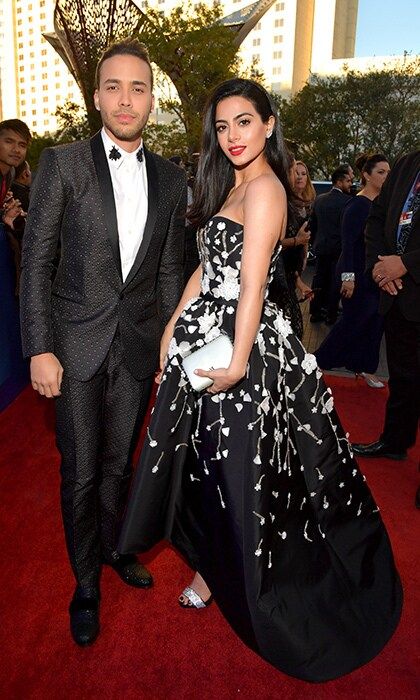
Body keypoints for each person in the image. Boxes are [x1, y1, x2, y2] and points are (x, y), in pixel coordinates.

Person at [119, 78, 402, 682]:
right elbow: (208, 265)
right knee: (203, 468)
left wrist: (242, 358)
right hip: (206, 338)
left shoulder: (268, 189)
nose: (232, 137)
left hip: (243, 347)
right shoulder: (233, 184)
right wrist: (173, 324)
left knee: (245, 473)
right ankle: (211, 567)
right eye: (222, 127)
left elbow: (251, 285)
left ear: (268, 124)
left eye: (243, 122)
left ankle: (251, 576)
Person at [20, 40, 187, 646]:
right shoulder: (62, 164)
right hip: (72, 346)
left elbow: (171, 270)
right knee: (82, 470)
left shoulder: (171, 178)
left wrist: (172, 344)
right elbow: (36, 261)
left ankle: (117, 548)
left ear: (150, 98)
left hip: (139, 346)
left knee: (121, 463)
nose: (125, 99)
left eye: (138, 88)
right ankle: (85, 582)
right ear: (96, 97)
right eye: (113, 87)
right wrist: (39, 346)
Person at [352, 150, 420, 462]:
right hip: (398, 296)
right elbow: (376, 218)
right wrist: (380, 270)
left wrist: (405, 263)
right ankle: (394, 442)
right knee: (402, 379)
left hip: (407, 278)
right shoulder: (408, 163)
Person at [315, 153, 390, 387]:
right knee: (353, 322)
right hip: (354, 275)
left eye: (389, 172)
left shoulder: (381, 205)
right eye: (381, 172)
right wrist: (348, 279)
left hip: (375, 276)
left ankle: (365, 368)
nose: (386, 177)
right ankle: (315, 362)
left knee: (375, 322)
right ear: (366, 175)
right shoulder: (357, 205)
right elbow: (347, 245)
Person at [269, 158, 314, 338]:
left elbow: (304, 241)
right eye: (296, 172)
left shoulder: (305, 206)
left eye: (303, 174)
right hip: (275, 277)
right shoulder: (281, 203)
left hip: (290, 274)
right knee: (291, 330)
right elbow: (270, 243)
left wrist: (299, 280)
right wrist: (297, 240)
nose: (300, 177)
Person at [309, 165, 353, 324]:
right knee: (335, 281)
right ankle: (331, 314)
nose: (350, 184)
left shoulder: (319, 200)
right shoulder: (348, 202)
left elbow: (313, 226)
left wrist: (315, 243)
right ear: (339, 182)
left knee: (319, 279)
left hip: (321, 248)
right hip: (338, 249)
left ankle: (314, 312)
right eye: (348, 181)